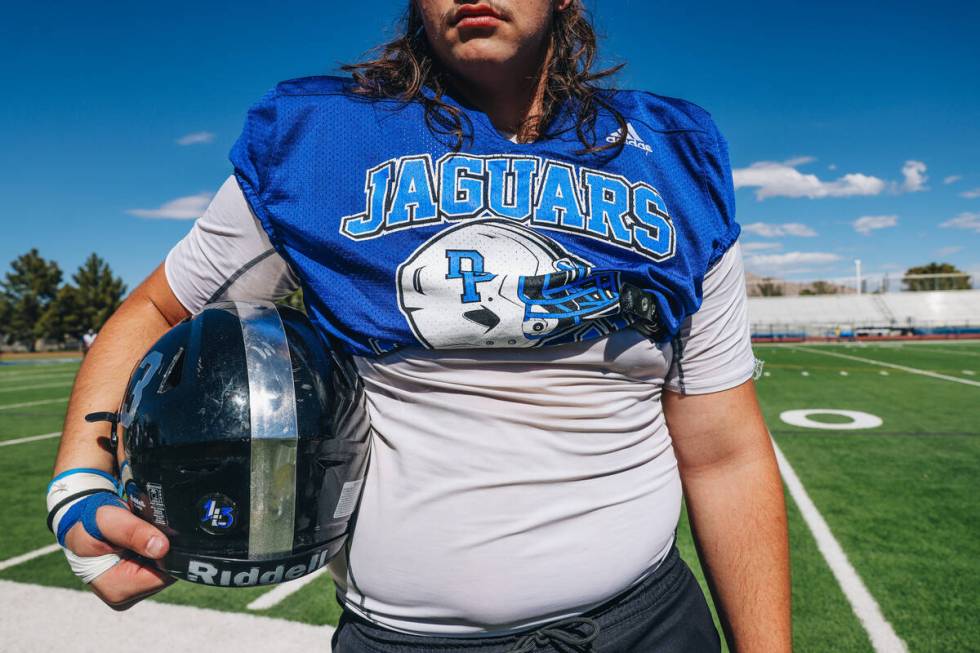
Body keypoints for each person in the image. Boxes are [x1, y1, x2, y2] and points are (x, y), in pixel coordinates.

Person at [49, 1, 791, 650]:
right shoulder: (322, 142)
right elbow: (156, 309)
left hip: (648, 624)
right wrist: (80, 479)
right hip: (410, 641)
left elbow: (723, 451)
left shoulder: (672, 159)